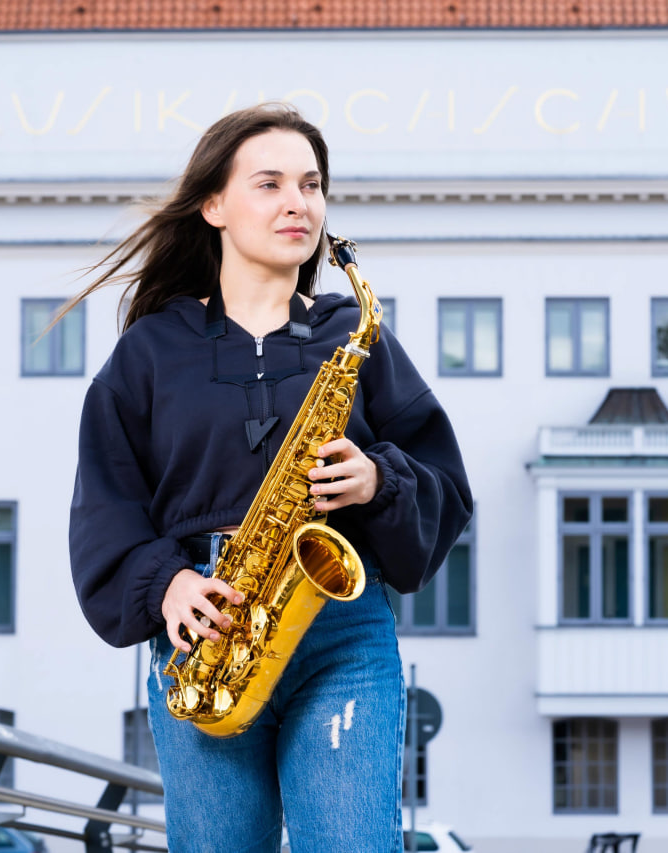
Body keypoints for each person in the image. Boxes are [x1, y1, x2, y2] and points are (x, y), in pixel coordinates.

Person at [64, 103, 472, 853]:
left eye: (312, 184)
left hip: (341, 633)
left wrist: (377, 478)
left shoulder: (355, 334)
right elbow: (105, 502)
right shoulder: (150, 350)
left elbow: (446, 482)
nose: (300, 203)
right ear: (213, 204)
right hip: (206, 629)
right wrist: (167, 584)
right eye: (271, 183)